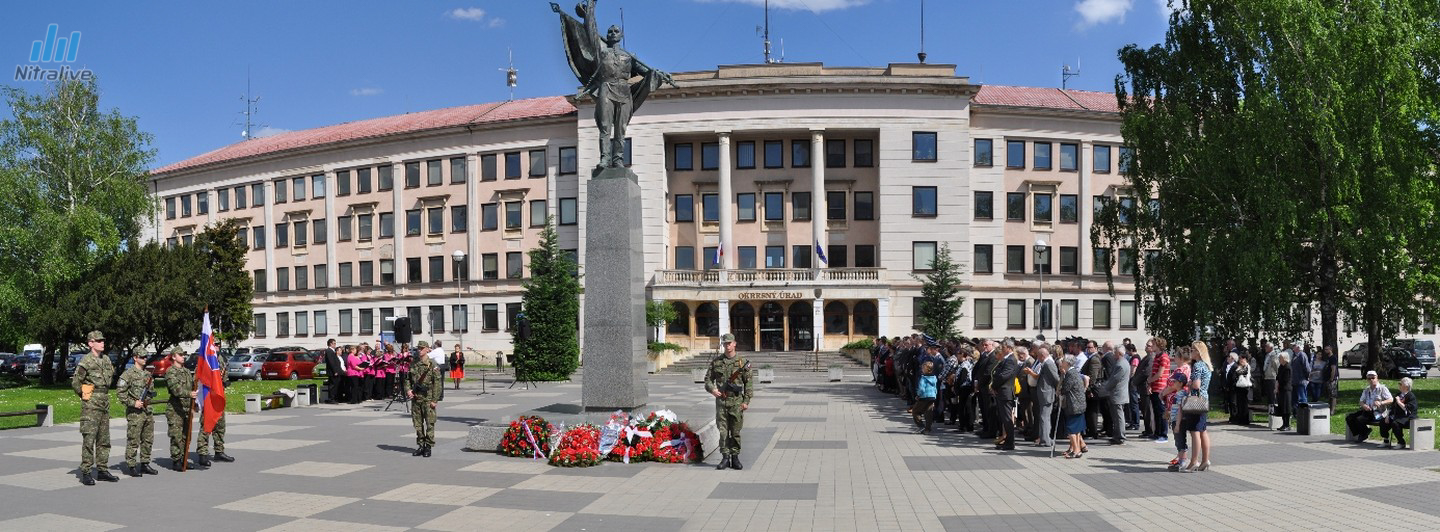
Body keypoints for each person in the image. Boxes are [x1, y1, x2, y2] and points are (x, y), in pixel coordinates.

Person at [72, 331, 118, 485]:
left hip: (104, 401)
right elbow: (76, 383)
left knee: (104, 439)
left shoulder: (106, 359)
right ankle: (86, 471)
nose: (102, 343)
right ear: (90, 343)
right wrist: (85, 396)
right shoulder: (86, 361)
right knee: (89, 438)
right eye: (98, 341)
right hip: (91, 404)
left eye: (102, 340)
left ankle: (102, 469)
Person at [706, 333, 753, 470]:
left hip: (737, 403)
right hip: (722, 403)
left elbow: (749, 384)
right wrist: (712, 390)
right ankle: (725, 457)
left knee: (735, 432)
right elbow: (708, 380)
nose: (727, 346)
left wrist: (746, 401)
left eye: (729, 343)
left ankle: (735, 457)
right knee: (723, 432)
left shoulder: (742, 363)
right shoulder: (717, 362)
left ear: (734, 344)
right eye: (725, 343)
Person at [117, 347, 158, 477]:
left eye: (146, 357)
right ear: (135, 358)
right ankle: (131, 465)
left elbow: (151, 392)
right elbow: (120, 393)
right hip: (135, 413)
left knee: (148, 439)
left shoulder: (147, 374)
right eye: (142, 357)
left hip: (147, 411)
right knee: (133, 440)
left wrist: (149, 398)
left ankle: (145, 463)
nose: (145, 359)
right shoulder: (128, 374)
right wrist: (133, 403)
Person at [404, 341, 444, 457]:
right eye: (418, 348)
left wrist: (435, 400)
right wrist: (408, 390)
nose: (419, 350)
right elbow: (407, 379)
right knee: (417, 423)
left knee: (430, 423)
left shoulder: (432, 364)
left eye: (422, 348)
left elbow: (437, 383)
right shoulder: (414, 363)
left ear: (427, 349)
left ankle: (428, 446)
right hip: (416, 399)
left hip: (428, 398)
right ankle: (421, 445)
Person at [196, 348, 233, 467]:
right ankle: (202, 454)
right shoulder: (205, 359)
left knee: (220, 426)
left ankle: (219, 451)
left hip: (218, 397)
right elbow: (199, 377)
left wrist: (224, 382)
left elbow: (223, 375)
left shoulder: (221, 359)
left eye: (217, 344)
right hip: (208, 397)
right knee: (206, 426)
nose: (216, 346)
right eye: (214, 344)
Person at [164, 348, 196, 472]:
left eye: (184, 355)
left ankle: (184, 458)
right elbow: (175, 390)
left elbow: (193, 386)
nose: (183, 357)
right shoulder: (170, 372)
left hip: (187, 408)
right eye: (180, 355)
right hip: (175, 410)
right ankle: (176, 460)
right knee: (176, 436)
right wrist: (190, 394)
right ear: (173, 357)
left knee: (186, 436)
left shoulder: (187, 371)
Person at [1182, 342, 1212, 471]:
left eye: (1193, 350)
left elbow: (1196, 385)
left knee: (1194, 431)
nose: (1191, 352)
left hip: (1195, 401)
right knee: (1203, 430)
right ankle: (1205, 460)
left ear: (1199, 352)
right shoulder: (1206, 365)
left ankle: (1194, 461)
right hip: (1204, 399)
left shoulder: (1198, 365)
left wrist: (1189, 383)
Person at [1024, 346, 1059, 448]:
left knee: (1044, 417)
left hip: (1046, 393)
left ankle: (1045, 440)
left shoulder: (1048, 363)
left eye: (1038, 356)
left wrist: (1058, 390)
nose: (1037, 358)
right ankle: (1046, 438)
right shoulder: (1045, 363)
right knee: (1044, 417)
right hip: (1044, 393)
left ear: (1042, 355)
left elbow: (1056, 379)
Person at [1345, 370, 1393, 443]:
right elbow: (1361, 401)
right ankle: (1364, 432)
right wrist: (1364, 405)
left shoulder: (1382, 388)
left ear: (1377, 378)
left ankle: (1363, 433)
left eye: (1373, 378)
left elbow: (1391, 400)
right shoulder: (1367, 389)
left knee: (1359, 419)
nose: (1371, 380)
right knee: (1349, 418)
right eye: (1369, 378)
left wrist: (1381, 403)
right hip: (1367, 411)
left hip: (1378, 413)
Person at [990, 341, 1020, 451]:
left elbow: (1004, 376)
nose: (1002, 349)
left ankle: (1010, 443)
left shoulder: (1011, 360)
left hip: (1005, 392)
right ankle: (1007, 441)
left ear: (1009, 347)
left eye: (1003, 347)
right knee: (1004, 418)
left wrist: (994, 385)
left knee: (1007, 419)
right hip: (1002, 392)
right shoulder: (1007, 359)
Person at [1058, 354, 1087, 459]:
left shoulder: (1071, 374)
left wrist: (1062, 377)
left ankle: (1076, 450)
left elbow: (1064, 389)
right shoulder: (1072, 372)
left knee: (1071, 429)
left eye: (1063, 361)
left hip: (1074, 405)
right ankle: (1075, 449)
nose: (1061, 363)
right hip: (1078, 404)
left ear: (1067, 363)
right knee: (1076, 429)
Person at [1102, 344, 1131, 445]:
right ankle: (1117, 435)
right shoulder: (1124, 362)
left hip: (1118, 394)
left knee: (1118, 416)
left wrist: (1105, 388)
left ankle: (1120, 437)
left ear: (1119, 353)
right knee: (1117, 416)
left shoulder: (1120, 364)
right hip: (1120, 393)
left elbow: (1114, 379)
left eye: (1114, 352)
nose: (1113, 354)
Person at [1146, 338, 1172, 443]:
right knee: (1156, 412)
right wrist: (1149, 384)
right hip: (1155, 387)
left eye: (1153, 344)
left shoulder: (1164, 357)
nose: (1151, 346)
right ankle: (1157, 433)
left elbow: (1160, 374)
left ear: (1158, 345)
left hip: (1161, 388)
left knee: (1161, 411)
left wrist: (1149, 380)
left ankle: (1163, 434)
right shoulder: (1156, 356)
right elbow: (1153, 372)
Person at [1381, 377, 1418, 449]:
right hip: (1397, 416)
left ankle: (1401, 442)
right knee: (1383, 422)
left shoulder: (1411, 396)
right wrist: (1388, 416)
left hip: (1407, 417)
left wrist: (1398, 401)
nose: (1399, 385)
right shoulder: (1398, 395)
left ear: (1406, 386)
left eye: (1400, 384)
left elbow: (1408, 409)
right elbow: (1392, 407)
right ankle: (1386, 441)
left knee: (1395, 424)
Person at [913, 360, 938, 435]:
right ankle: (927, 429)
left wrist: (918, 395)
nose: (922, 370)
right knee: (928, 413)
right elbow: (935, 388)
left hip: (924, 397)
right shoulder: (934, 378)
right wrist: (935, 395)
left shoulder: (923, 378)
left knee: (915, 411)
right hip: (932, 397)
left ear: (925, 369)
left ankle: (921, 425)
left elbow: (921, 389)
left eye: (923, 368)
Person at [1228, 354, 1252, 425]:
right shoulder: (1240, 366)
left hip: (1245, 386)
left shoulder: (1247, 366)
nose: (1241, 360)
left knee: (1244, 403)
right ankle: (1240, 418)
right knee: (1239, 403)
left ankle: (1245, 419)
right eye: (1240, 359)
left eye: (1242, 359)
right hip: (1239, 386)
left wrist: (1239, 369)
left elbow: (1241, 372)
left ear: (1245, 359)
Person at [1274, 352, 1293, 431]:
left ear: (1285, 358)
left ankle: (1287, 424)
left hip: (1286, 389)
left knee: (1286, 407)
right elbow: (1278, 377)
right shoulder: (1281, 367)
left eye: (1280, 358)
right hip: (1280, 389)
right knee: (1282, 407)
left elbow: (1286, 380)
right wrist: (1276, 386)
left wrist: (1278, 384)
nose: (1279, 359)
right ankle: (1283, 423)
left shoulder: (1287, 367)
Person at [323, 339, 345, 404]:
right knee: (333, 386)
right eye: (334, 343)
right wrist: (335, 371)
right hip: (332, 372)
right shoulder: (329, 351)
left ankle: (334, 398)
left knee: (335, 385)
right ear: (330, 344)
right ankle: (331, 399)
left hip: (335, 371)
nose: (335, 345)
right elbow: (331, 362)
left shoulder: (332, 351)